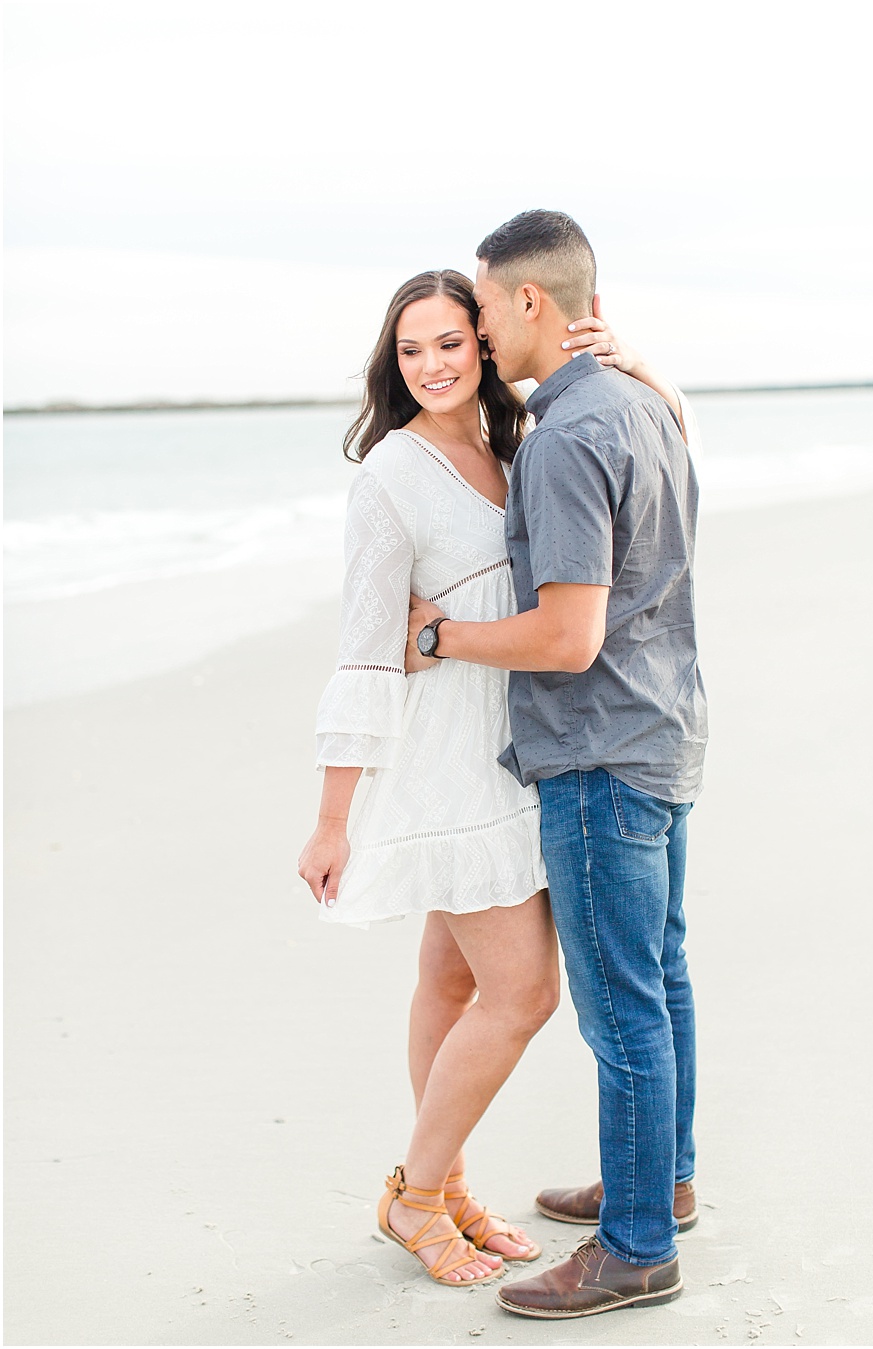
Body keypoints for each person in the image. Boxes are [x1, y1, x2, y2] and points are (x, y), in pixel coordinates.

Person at [296, 267, 689, 1288]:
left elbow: (642, 470)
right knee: (523, 990)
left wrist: (638, 366)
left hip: (520, 744)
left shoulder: (518, 445)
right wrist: (333, 816)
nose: (430, 364)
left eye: (448, 343)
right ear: (395, 361)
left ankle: (453, 1184)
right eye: (411, 348)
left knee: (451, 978)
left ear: (483, 347)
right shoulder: (391, 474)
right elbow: (367, 648)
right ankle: (416, 1191)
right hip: (448, 761)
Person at [400, 210, 706, 1319]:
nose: (473, 331)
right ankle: (657, 1185)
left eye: (478, 309)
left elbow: (568, 636)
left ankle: (633, 1248)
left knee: (622, 1007)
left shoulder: (571, 434)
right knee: (660, 982)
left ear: (530, 303)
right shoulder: (642, 402)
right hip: (665, 731)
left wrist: (441, 638)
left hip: (598, 750)